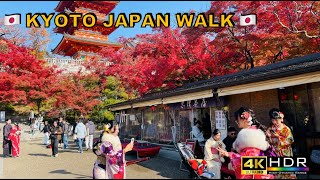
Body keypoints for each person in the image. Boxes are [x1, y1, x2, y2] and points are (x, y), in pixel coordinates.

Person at [217, 107, 274, 179]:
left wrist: (230, 155)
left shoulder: (249, 137)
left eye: (237, 119)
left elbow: (248, 161)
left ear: (243, 119)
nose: (236, 121)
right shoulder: (255, 133)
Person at [267, 109, 296, 179]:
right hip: (275, 153)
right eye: (273, 120)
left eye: (277, 120)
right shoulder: (270, 129)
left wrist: (279, 140)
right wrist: (268, 137)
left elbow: (291, 140)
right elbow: (268, 142)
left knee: (288, 173)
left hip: (285, 153)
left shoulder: (286, 129)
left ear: (281, 119)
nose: (275, 122)